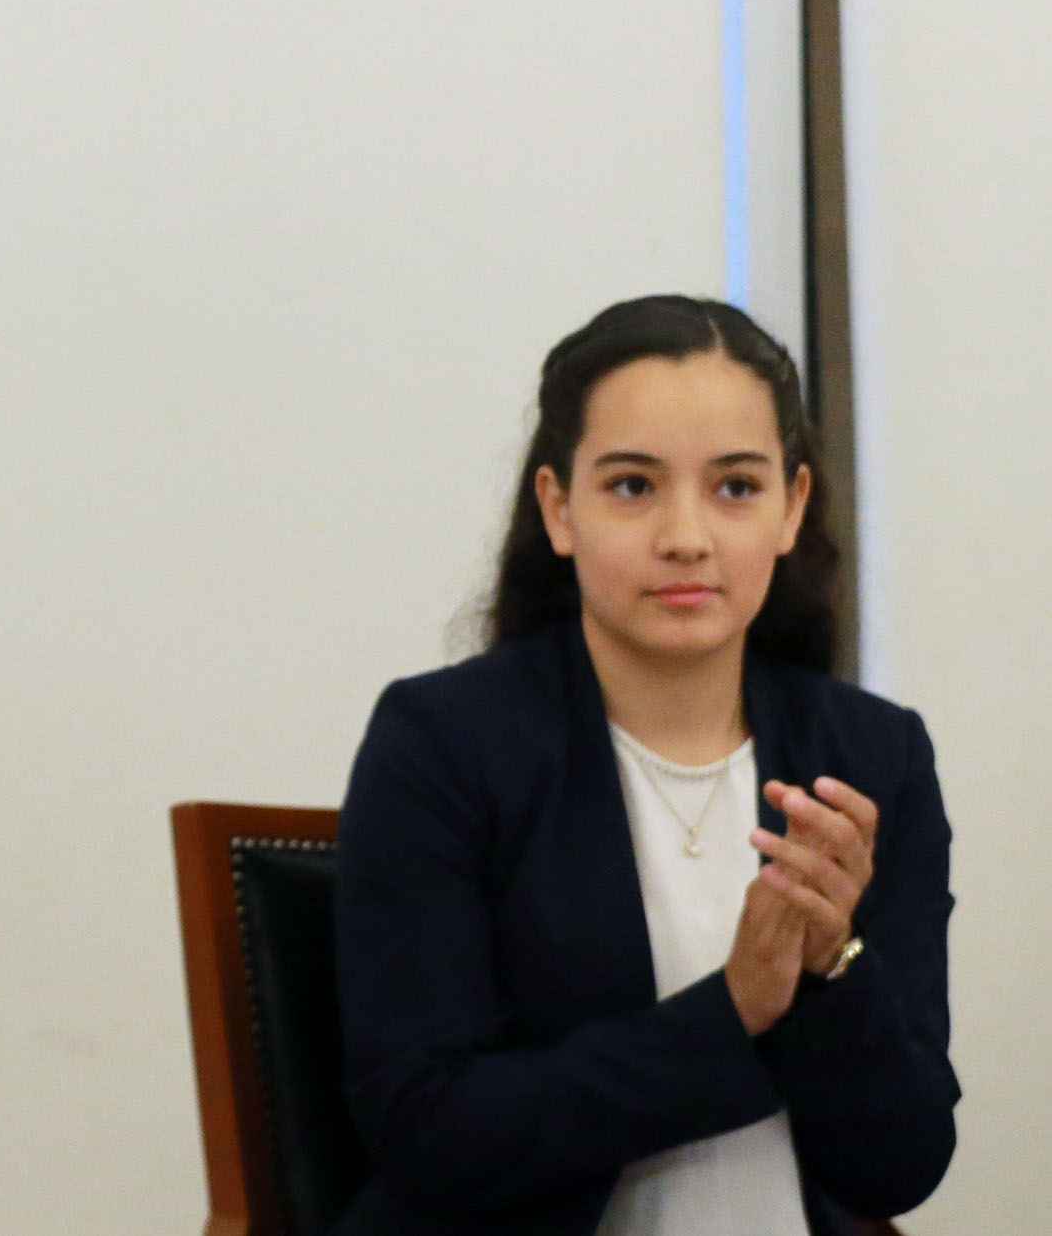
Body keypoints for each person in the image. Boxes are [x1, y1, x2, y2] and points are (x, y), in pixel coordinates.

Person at [333, 296, 955, 1236]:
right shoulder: (442, 743)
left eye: (735, 487)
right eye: (631, 486)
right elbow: (429, 1133)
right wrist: (731, 1011)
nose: (685, 537)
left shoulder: (870, 758)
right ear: (558, 508)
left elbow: (901, 1165)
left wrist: (834, 964)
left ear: (790, 508)